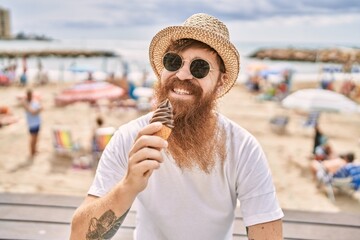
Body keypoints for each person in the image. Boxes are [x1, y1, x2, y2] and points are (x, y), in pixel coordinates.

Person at [70, 13, 283, 240]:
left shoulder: (242, 147)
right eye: (173, 61)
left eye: (199, 68)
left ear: (221, 81)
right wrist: (128, 185)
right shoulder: (130, 137)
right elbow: (79, 236)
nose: (182, 74)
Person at [22, 89, 42, 158]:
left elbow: (40, 108)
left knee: (36, 138)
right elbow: (32, 112)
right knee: (32, 139)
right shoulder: (25, 103)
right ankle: (32, 152)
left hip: (37, 122)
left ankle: (35, 150)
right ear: (27, 95)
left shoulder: (34, 102)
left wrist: (38, 110)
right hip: (32, 124)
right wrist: (38, 110)